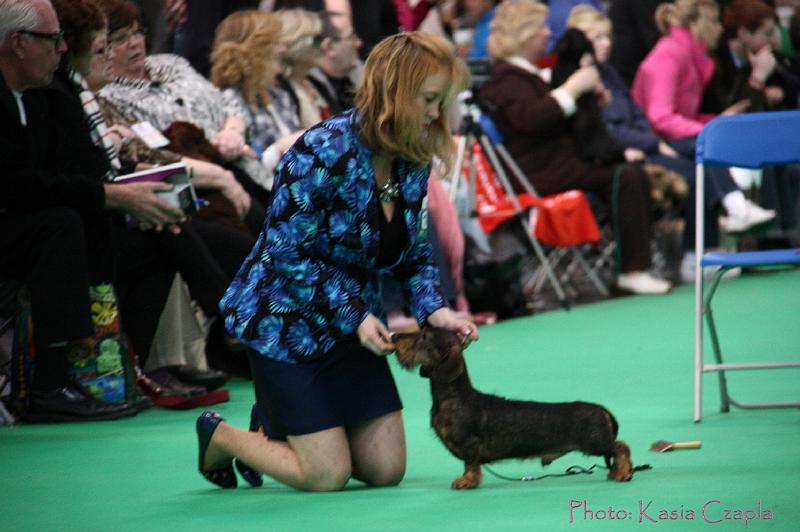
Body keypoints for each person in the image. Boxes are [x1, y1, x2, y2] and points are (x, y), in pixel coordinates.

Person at [197, 32, 478, 492]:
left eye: (441, 101)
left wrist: (436, 309)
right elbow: (284, 250)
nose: (435, 113)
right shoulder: (320, 150)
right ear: (396, 94)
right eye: (429, 99)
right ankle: (222, 436)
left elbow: (413, 253)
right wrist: (354, 314)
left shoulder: (412, 157)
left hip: (355, 325)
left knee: (385, 471)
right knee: (327, 475)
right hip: (285, 319)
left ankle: (279, 423)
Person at [0, 0, 175, 421]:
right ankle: (50, 383)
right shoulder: (30, 97)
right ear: (20, 44)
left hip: (24, 216)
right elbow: (17, 185)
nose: (61, 49)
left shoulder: (37, 97)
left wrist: (114, 193)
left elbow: (58, 176)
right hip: (14, 220)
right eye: (53, 39)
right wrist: (109, 195)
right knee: (61, 225)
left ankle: (115, 367)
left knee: (149, 233)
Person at [480, 0, 671, 294]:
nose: (548, 33)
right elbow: (533, 119)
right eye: (542, 27)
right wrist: (574, 88)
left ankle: (634, 267)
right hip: (541, 174)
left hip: (558, 165)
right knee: (626, 176)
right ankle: (632, 270)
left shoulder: (524, 76)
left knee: (629, 172)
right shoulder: (506, 80)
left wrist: (589, 101)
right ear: (525, 33)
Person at [632, 0, 777, 252]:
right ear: (698, 24)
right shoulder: (668, 55)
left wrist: (717, 122)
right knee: (707, 148)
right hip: (651, 145)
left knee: (703, 159)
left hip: (673, 142)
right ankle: (736, 208)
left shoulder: (690, 57)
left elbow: (683, 117)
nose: (720, 28)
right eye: (714, 21)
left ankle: (705, 249)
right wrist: (710, 131)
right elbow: (660, 118)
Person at [210, 9, 303, 192]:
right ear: (255, 50)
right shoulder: (227, 103)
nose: (283, 49)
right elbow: (245, 170)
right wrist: (276, 150)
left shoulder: (280, 95)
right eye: (275, 43)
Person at [306, 10, 363, 115]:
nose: (359, 43)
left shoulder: (360, 73)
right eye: (351, 37)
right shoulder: (309, 90)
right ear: (329, 47)